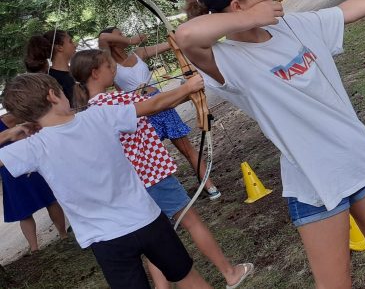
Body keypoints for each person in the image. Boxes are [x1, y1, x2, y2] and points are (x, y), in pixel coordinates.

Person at [176, 0, 365, 288]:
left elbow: (343, 12)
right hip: (314, 183)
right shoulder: (226, 62)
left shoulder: (294, 26)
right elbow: (186, 36)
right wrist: (248, 20)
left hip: (358, 160)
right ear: (235, 5)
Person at [0, 72, 212, 289]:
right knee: (187, 277)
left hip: (106, 240)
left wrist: (8, 135)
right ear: (53, 96)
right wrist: (188, 87)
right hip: (147, 220)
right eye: (63, 93)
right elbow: (154, 104)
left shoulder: (33, 147)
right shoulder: (99, 116)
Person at [71, 49, 253, 289]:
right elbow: (156, 103)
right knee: (191, 221)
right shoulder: (116, 101)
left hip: (131, 185)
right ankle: (230, 273)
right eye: (108, 67)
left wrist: (187, 91)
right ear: (95, 73)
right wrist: (189, 88)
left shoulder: (87, 113)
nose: (113, 69)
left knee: (154, 237)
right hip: (153, 176)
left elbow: (160, 103)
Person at [97, 28, 220, 200]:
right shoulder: (109, 62)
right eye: (119, 34)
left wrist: (176, 35)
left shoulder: (139, 52)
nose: (123, 36)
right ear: (112, 41)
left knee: (186, 148)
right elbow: (102, 37)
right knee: (153, 157)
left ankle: (208, 185)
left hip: (161, 103)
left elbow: (171, 44)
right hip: (141, 111)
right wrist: (132, 39)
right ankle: (170, 196)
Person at [0, 112, 68, 253]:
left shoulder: (8, 118)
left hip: (28, 159)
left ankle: (63, 235)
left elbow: (34, 119)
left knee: (49, 199)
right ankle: (34, 248)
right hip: (8, 168)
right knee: (23, 210)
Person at [25, 30, 78, 106]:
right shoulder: (52, 81)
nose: (75, 44)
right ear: (59, 47)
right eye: (70, 41)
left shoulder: (77, 71)